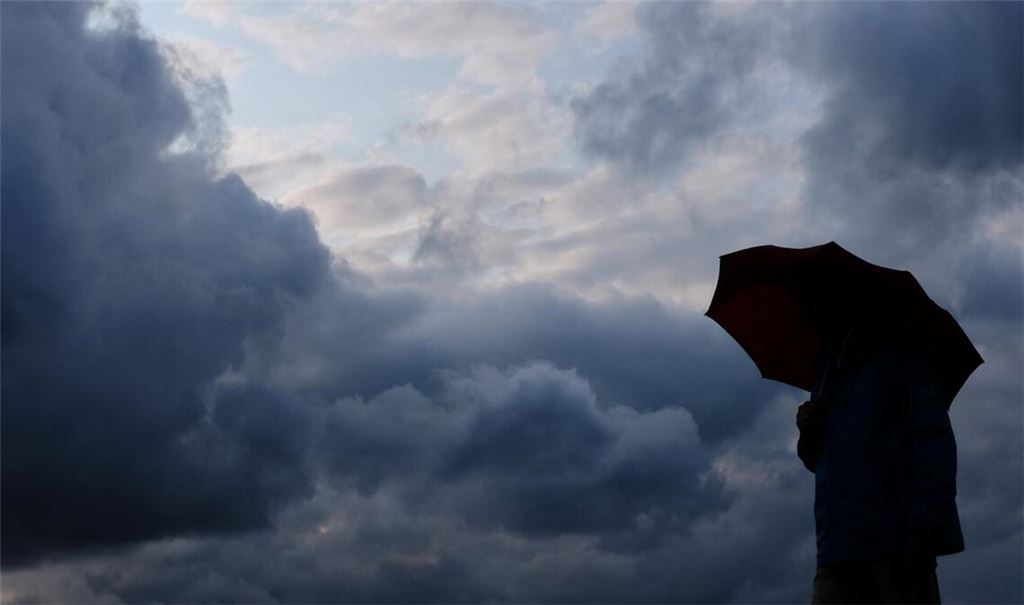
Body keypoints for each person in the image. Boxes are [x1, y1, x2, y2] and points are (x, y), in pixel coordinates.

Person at [795, 287, 964, 605]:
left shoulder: (898, 353)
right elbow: (820, 459)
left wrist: (924, 528)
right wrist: (809, 431)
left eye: (811, 300)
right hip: (837, 545)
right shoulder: (826, 368)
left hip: (897, 542)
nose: (805, 312)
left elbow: (934, 439)